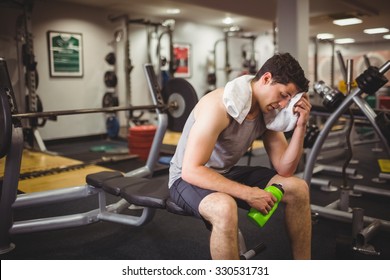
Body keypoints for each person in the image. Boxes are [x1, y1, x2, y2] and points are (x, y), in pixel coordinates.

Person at [168, 52, 312, 260]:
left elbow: (285, 169)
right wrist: (248, 193)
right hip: (185, 178)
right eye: (283, 95)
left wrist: (301, 125)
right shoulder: (218, 105)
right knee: (224, 207)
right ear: (266, 79)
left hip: (224, 173)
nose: (283, 104)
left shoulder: (267, 111)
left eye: (289, 99)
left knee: (298, 188)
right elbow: (192, 170)